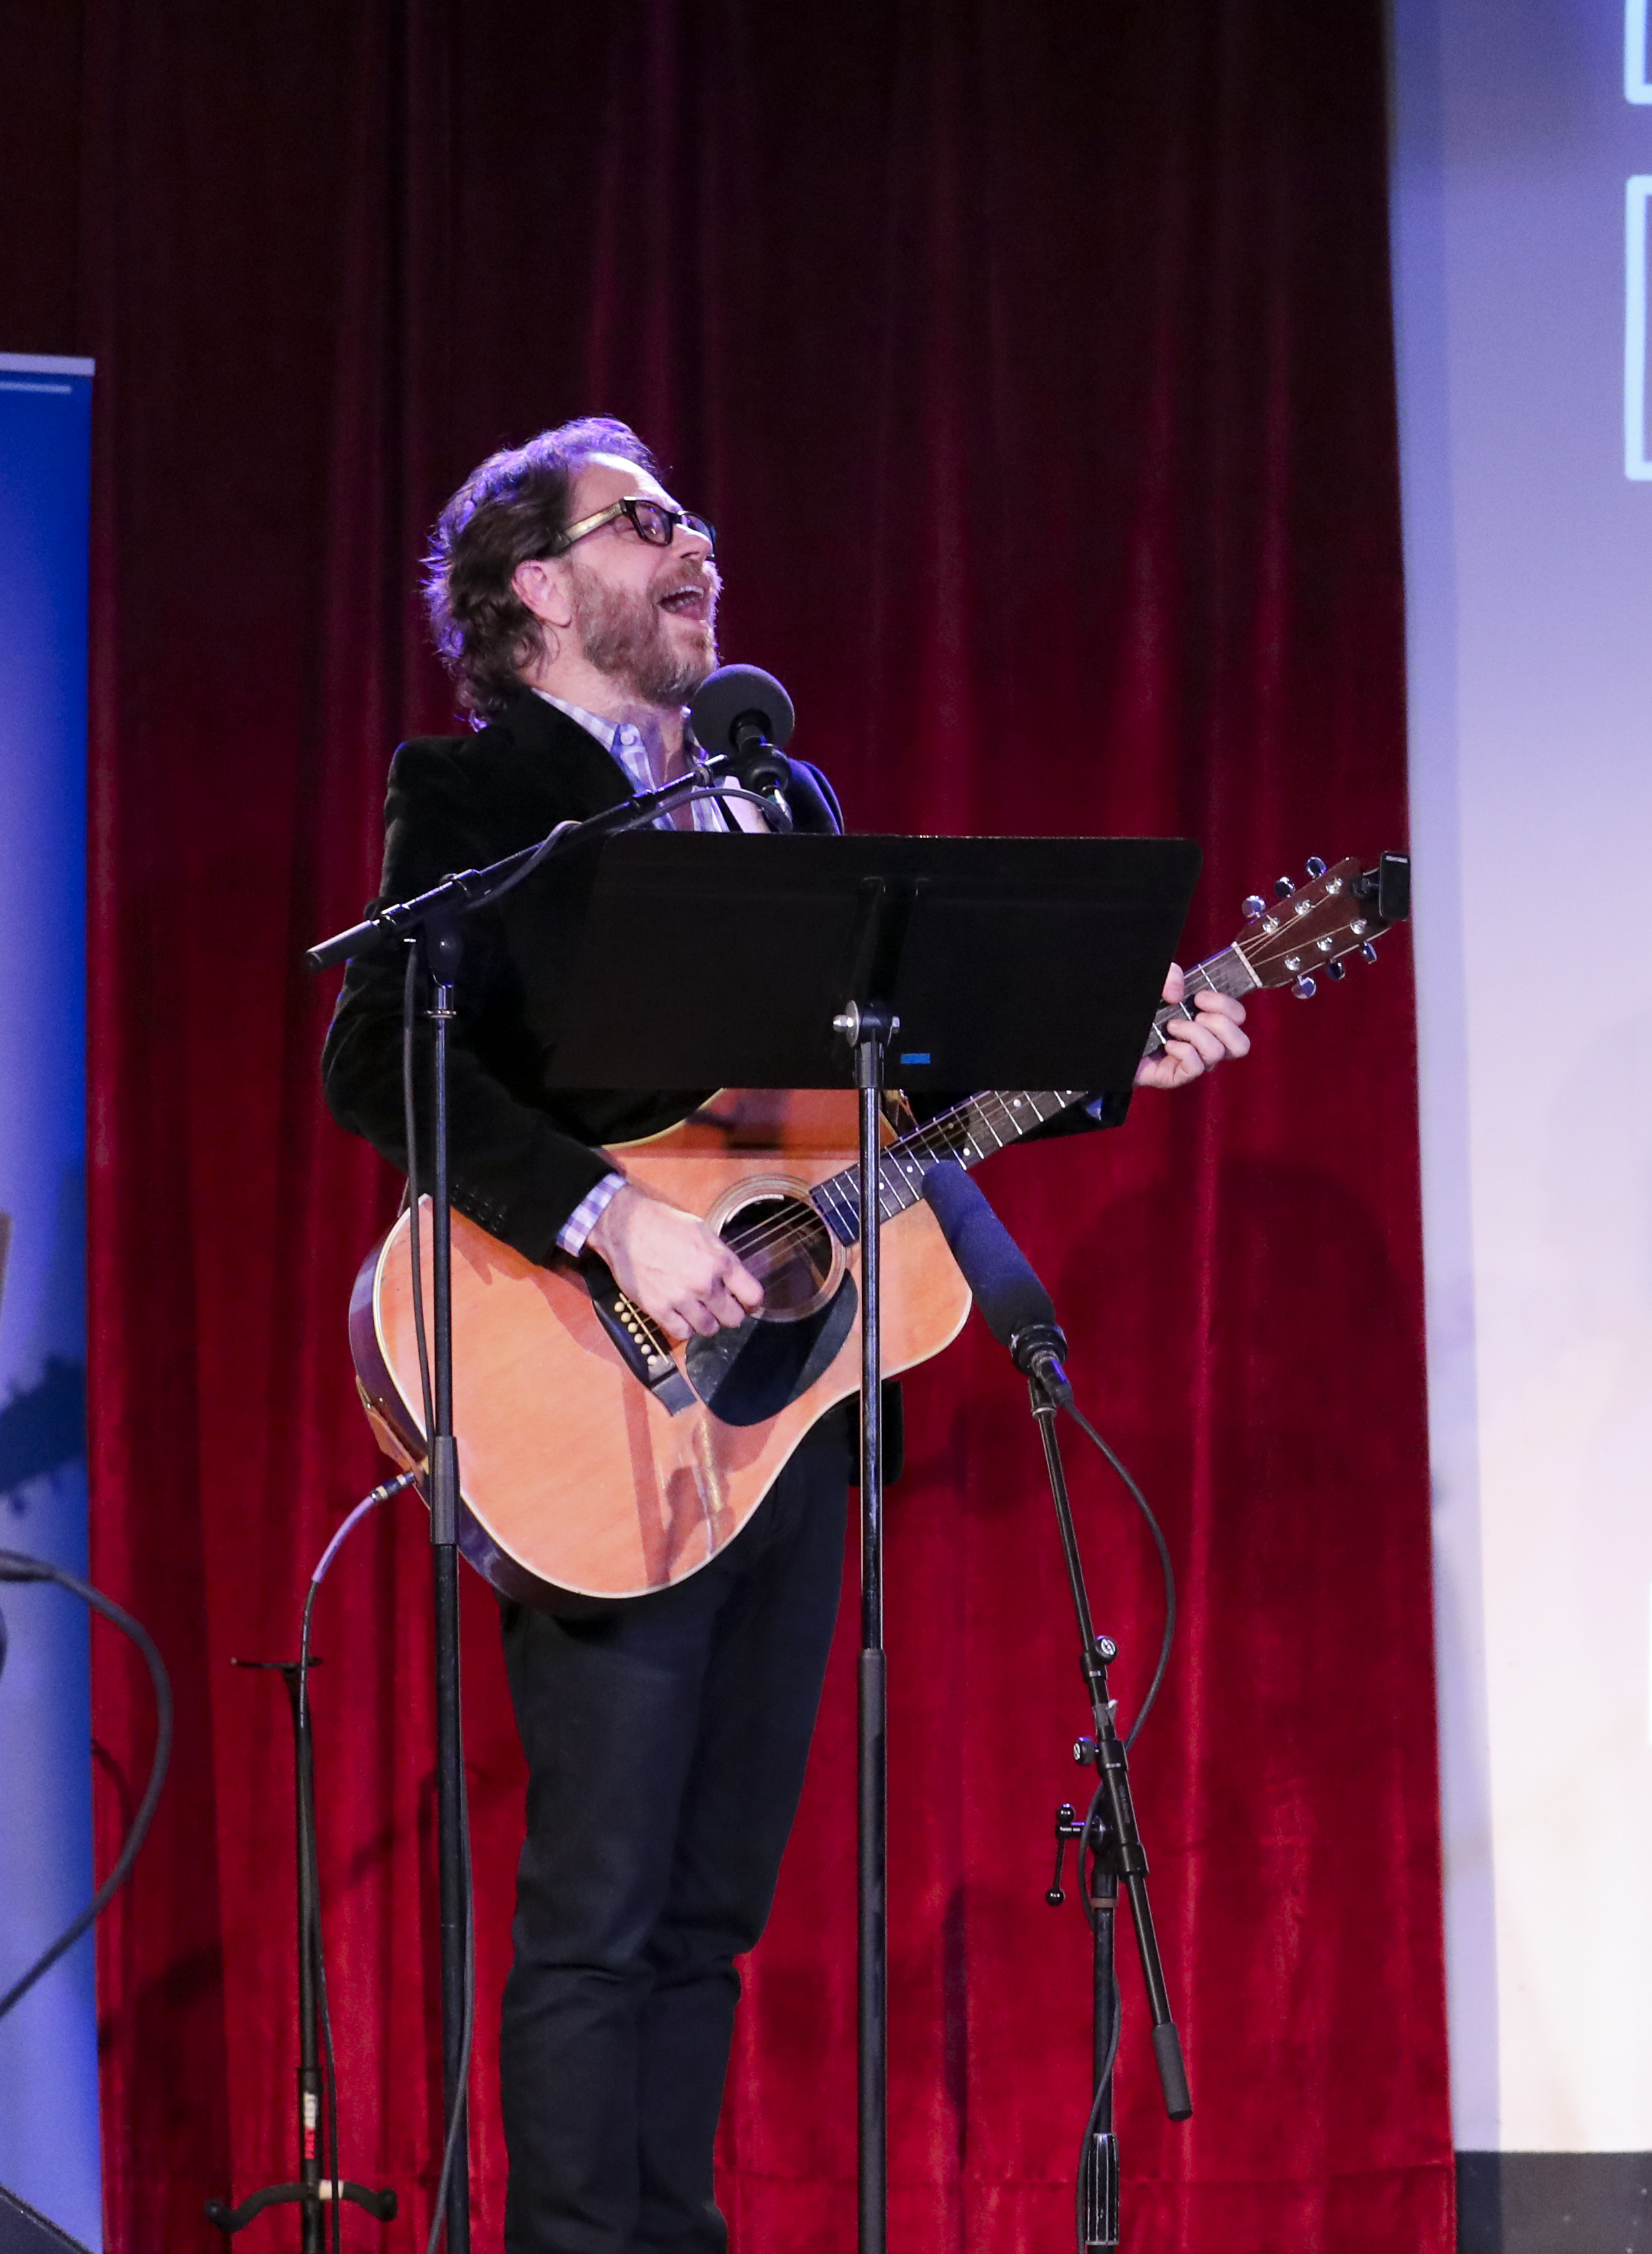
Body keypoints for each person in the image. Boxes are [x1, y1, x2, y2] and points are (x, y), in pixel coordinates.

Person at [318, 418, 1246, 2253]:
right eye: (642, 522)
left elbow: (868, 1118)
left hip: (786, 1409)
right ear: (532, 591)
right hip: (582, 1374)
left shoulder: (780, 800)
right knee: (599, 1899)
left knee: (713, 1904)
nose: (695, 544)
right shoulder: (480, 793)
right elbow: (373, 1060)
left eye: (694, 518)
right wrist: (614, 1217)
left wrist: (1105, 1049)